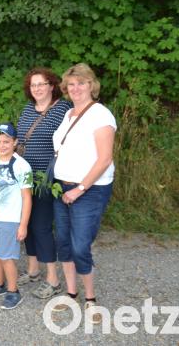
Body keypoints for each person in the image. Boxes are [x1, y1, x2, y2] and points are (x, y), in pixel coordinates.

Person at [50, 63, 116, 323]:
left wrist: (79, 189)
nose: (76, 88)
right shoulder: (68, 114)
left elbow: (105, 159)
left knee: (80, 245)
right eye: (71, 84)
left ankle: (90, 299)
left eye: (81, 83)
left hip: (89, 189)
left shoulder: (101, 115)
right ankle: (71, 292)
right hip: (62, 187)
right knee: (63, 242)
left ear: (91, 85)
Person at [15, 67, 72, 299]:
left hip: (47, 179)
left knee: (41, 226)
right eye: (33, 85)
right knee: (27, 224)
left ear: (52, 86)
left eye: (42, 84)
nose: (37, 88)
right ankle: (33, 269)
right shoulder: (28, 108)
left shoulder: (63, 109)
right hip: (25, 177)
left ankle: (53, 279)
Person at [0, 123, 33, 310]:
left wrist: (23, 225)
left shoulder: (22, 165)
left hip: (10, 219)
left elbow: (27, 197)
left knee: (6, 256)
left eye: (6, 142)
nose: (2, 145)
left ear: (15, 142)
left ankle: (13, 291)